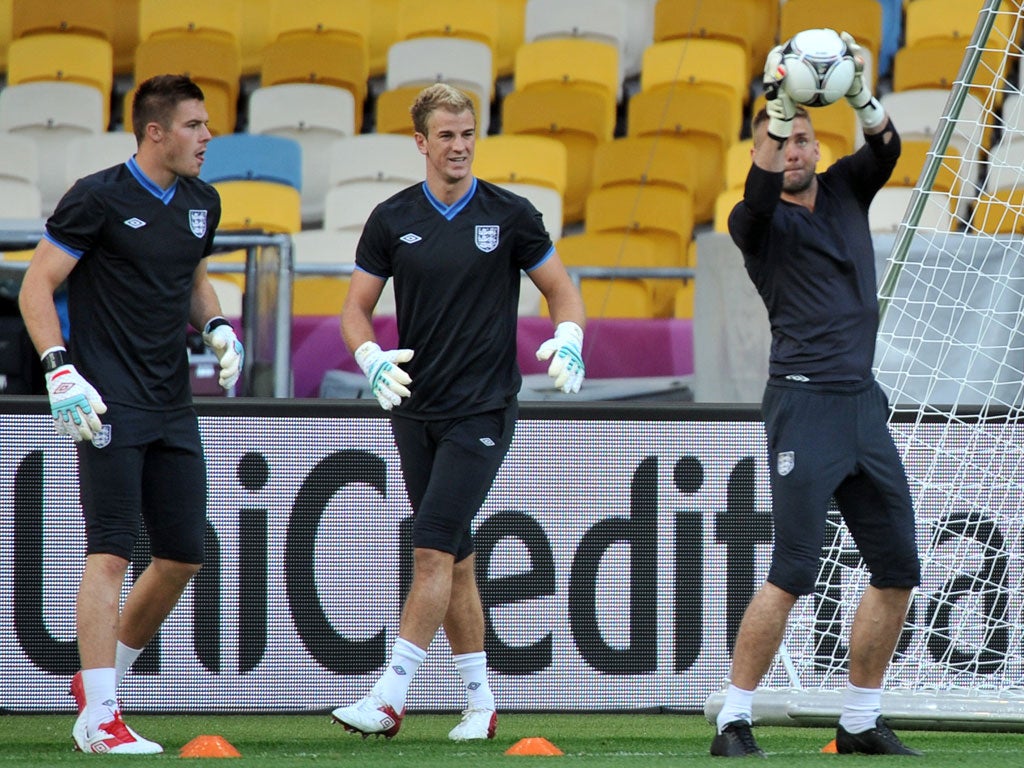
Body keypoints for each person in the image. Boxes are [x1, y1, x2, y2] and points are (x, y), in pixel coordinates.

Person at [330, 83, 586, 742]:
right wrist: (370, 358)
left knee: (432, 551)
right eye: (446, 135)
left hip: (484, 408)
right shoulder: (392, 218)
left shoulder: (511, 214)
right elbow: (354, 309)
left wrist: (571, 339)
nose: (460, 146)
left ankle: (390, 697)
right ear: (420, 143)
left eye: (468, 133)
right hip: (414, 410)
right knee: (460, 560)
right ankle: (480, 702)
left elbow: (561, 290)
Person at [18, 74, 243, 755]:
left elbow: (192, 275)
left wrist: (217, 327)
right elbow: (37, 283)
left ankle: (100, 685)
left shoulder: (203, 201)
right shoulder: (99, 197)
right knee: (112, 549)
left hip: (174, 402)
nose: (207, 137)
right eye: (194, 125)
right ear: (155, 132)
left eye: (206, 125)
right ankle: (101, 717)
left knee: (181, 555)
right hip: (108, 399)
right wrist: (60, 369)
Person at [711, 34, 922, 757]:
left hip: (863, 405)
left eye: (806, 138)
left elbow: (888, 148)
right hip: (803, 405)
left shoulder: (842, 190)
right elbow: (759, 189)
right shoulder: (755, 222)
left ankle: (860, 719)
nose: (796, 149)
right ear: (768, 147)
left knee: (898, 569)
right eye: (784, 140)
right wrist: (777, 105)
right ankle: (732, 719)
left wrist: (860, 90)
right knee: (793, 570)